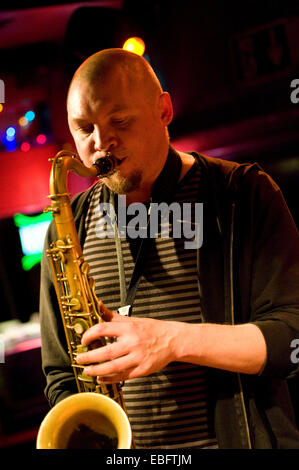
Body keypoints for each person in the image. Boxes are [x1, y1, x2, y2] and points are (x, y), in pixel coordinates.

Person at [40, 48, 299, 449]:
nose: (100, 143)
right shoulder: (67, 226)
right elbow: (61, 374)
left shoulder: (245, 194)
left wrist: (173, 341)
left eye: (119, 121)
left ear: (164, 110)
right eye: (83, 128)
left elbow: (293, 341)